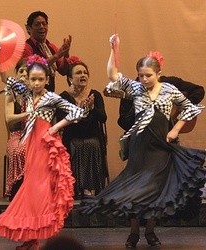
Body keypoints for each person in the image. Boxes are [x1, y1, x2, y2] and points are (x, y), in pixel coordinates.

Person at [79, 34, 206, 248]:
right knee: (136, 188)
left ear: (159, 74)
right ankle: (134, 232)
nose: (144, 79)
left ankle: (150, 231)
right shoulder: (136, 89)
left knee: (154, 189)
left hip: (161, 146)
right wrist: (113, 49)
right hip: (140, 146)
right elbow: (112, 76)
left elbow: (190, 108)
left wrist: (176, 129)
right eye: (140, 75)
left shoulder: (169, 90)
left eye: (148, 75)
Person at [0, 42, 89, 249]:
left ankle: (34, 237)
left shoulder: (51, 97)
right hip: (31, 145)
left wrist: (55, 128)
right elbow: (4, 78)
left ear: (47, 79)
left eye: (40, 79)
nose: (36, 83)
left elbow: (78, 113)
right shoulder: (27, 94)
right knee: (31, 190)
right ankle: (32, 238)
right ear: (27, 79)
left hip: (46, 145)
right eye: (33, 79)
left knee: (40, 189)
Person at [57, 56, 108, 198]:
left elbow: (103, 118)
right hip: (73, 136)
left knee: (91, 144)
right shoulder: (64, 97)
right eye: (78, 73)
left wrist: (91, 108)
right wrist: (77, 112)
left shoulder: (95, 95)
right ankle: (78, 188)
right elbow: (62, 121)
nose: (83, 75)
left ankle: (90, 189)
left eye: (85, 72)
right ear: (70, 78)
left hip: (92, 136)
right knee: (79, 145)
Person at [115, 51, 205, 132]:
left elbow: (198, 90)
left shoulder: (170, 83)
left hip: (167, 138)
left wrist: (182, 104)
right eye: (141, 75)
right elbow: (123, 122)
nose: (145, 79)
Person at [23, 11, 71, 92]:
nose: (42, 27)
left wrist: (65, 57)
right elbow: (33, 68)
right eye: (37, 24)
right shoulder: (26, 47)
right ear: (28, 28)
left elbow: (63, 71)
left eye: (44, 24)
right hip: (32, 94)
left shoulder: (51, 47)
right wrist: (56, 56)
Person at [4, 58, 29, 201]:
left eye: (27, 71)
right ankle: (18, 188)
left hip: (34, 133)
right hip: (17, 134)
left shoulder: (37, 92)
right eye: (21, 71)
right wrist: (27, 114)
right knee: (21, 149)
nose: (24, 74)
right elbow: (9, 118)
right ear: (16, 73)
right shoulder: (11, 92)